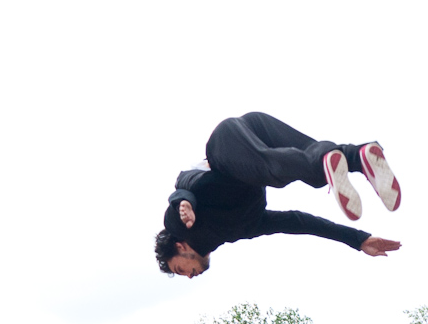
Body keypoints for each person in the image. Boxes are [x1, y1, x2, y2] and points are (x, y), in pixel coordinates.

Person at [155, 112, 402, 278]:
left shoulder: (181, 225)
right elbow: (298, 222)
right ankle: (360, 156)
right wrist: (358, 240)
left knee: (273, 170)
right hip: (257, 127)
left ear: (179, 246)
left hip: (225, 146)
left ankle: (329, 162)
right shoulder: (243, 229)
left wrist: (184, 201)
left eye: (180, 269)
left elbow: (183, 181)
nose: (189, 276)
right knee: (317, 161)